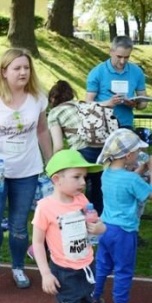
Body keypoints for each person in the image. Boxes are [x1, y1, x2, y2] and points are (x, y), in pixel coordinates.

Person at [0, 48, 52, 288]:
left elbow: (42, 131)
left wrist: (51, 161)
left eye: (26, 67)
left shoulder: (37, 98)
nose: (23, 72)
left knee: (18, 223)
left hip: (27, 171)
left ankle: (18, 268)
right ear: (4, 72)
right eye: (17, 68)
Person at [31, 149, 106, 303]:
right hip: (64, 273)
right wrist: (45, 273)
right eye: (77, 177)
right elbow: (37, 242)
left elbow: (95, 221)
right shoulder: (45, 207)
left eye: (84, 177)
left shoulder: (82, 200)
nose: (83, 182)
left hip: (87, 267)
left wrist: (99, 228)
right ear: (57, 179)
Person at [92, 129, 152, 303]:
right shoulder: (130, 179)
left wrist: (143, 169)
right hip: (124, 231)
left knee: (102, 265)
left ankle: (94, 299)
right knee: (123, 269)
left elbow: (128, 180)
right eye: (138, 152)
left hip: (104, 228)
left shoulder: (106, 173)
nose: (139, 155)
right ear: (129, 155)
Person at [48, 80, 105, 215]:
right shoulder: (82, 105)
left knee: (77, 188)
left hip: (82, 152)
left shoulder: (54, 113)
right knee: (98, 190)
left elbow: (59, 145)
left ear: (52, 98)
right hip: (103, 150)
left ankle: (77, 218)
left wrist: (54, 164)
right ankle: (97, 222)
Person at [86, 35, 148, 129]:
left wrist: (135, 104)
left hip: (125, 125)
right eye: (119, 57)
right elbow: (88, 104)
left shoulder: (137, 72)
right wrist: (109, 103)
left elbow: (143, 103)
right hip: (101, 125)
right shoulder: (97, 72)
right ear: (111, 52)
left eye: (126, 57)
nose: (122, 61)